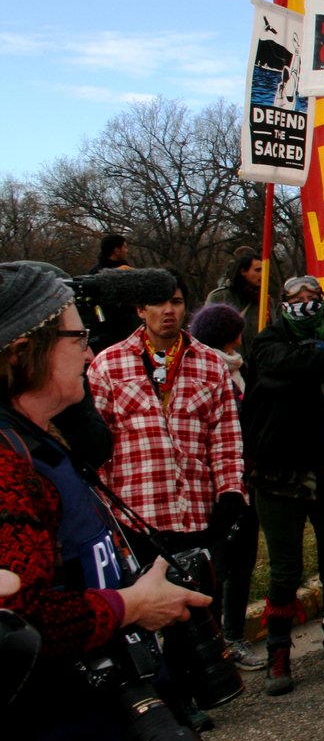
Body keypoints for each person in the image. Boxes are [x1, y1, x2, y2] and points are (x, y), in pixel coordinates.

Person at [1, 261, 212, 741]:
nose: (91, 353)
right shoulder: (6, 465)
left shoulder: (39, 442)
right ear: (28, 348)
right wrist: (130, 606)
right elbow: (20, 621)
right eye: (77, 337)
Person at [87, 270, 247, 686]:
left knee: (194, 606)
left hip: (194, 508)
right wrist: (104, 510)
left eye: (176, 302)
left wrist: (230, 493)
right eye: (159, 303)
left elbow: (226, 439)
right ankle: (160, 693)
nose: (168, 311)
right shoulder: (109, 364)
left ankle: (195, 689)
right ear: (141, 309)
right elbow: (94, 444)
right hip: (136, 512)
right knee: (146, 611)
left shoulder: (210, 363)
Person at [242, 275, 324, 697]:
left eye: (313, 298)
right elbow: (280, 368)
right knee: (284, 570)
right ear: (282, 303)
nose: (305, 303)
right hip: (279, 477)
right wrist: (320, 357)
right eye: (296, 298)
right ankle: (279, 650)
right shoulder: (265, 342)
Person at [185, 301, 263, 673]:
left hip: (244, 479)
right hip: (215, 487)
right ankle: (213, 646)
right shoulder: (205, 371)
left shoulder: (239, 368)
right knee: (218, 566)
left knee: (243, 563)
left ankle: (232, 635)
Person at [205, 247, 268, 359]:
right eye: (257, 270)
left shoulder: (266, 299)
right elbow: (207, 334)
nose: (262, 275)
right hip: (227, 362)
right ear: (243, 271)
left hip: (259, 364)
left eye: (264, 270)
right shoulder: (219, 297)